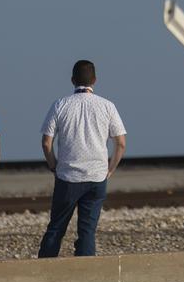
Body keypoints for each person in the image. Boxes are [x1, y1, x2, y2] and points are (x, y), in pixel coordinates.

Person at [37, 59, 126, 258]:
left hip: (67, 176)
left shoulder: (60, 104)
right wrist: (110, 169)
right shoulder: (107, 106)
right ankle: (86, 275)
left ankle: (43, 270)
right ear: (94, 80)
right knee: (87, 232)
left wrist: (54, 166)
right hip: (96, 177)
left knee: (56, 227)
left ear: (72, 80)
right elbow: (120, 143)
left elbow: (46, 142)